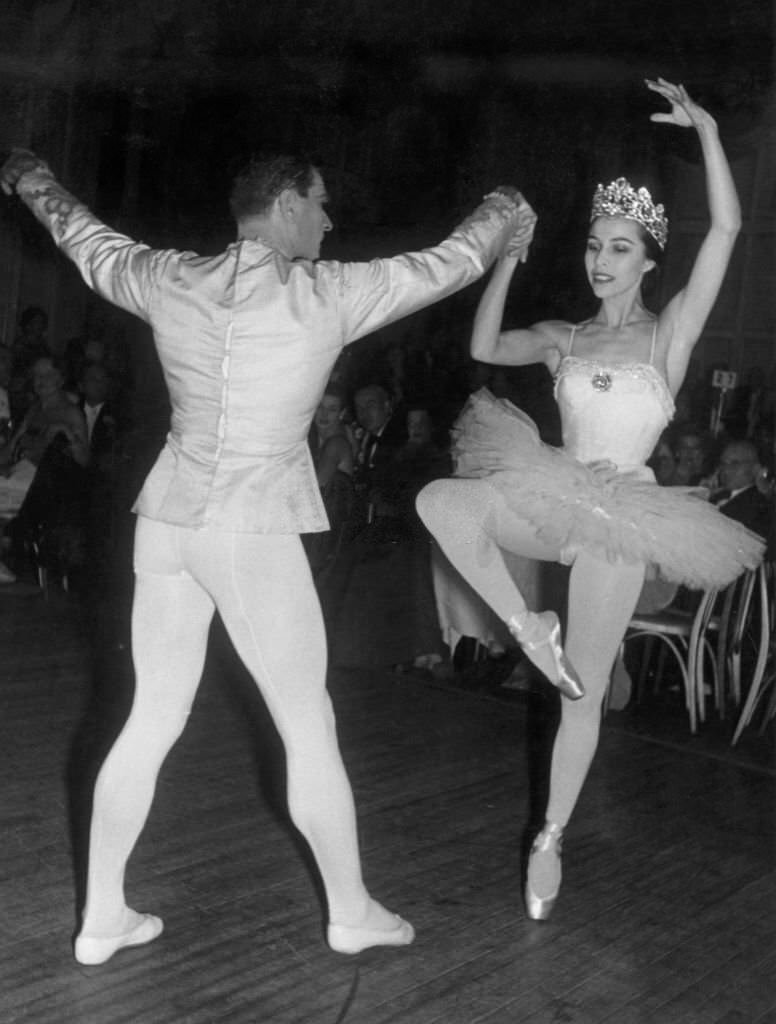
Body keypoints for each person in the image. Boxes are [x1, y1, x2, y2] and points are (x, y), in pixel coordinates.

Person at [1, 145, 531, 962]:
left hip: (169, 522)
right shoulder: (330, 292)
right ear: (285, 205)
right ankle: (350, 911)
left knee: (150, 716)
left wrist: (33, 177)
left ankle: (103, 915)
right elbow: (449, 263)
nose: (329, 220)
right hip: (251, 531)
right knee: (307, 721)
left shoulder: (167, 276)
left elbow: (83, 237)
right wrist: (503, 204)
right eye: (320, 204)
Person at [416, 78, 764, 921]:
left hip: (622, 516)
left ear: (648, 261)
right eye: (594, 246)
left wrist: (709, 131)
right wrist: (508, 259)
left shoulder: (668, 334)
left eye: (618, 248)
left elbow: (725, 228)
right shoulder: (565, 339)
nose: (600, 260)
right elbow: (485, 343)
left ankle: (551, 835)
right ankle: (528, 628)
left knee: (586, 688)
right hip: (552, 491)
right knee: (442, 500)